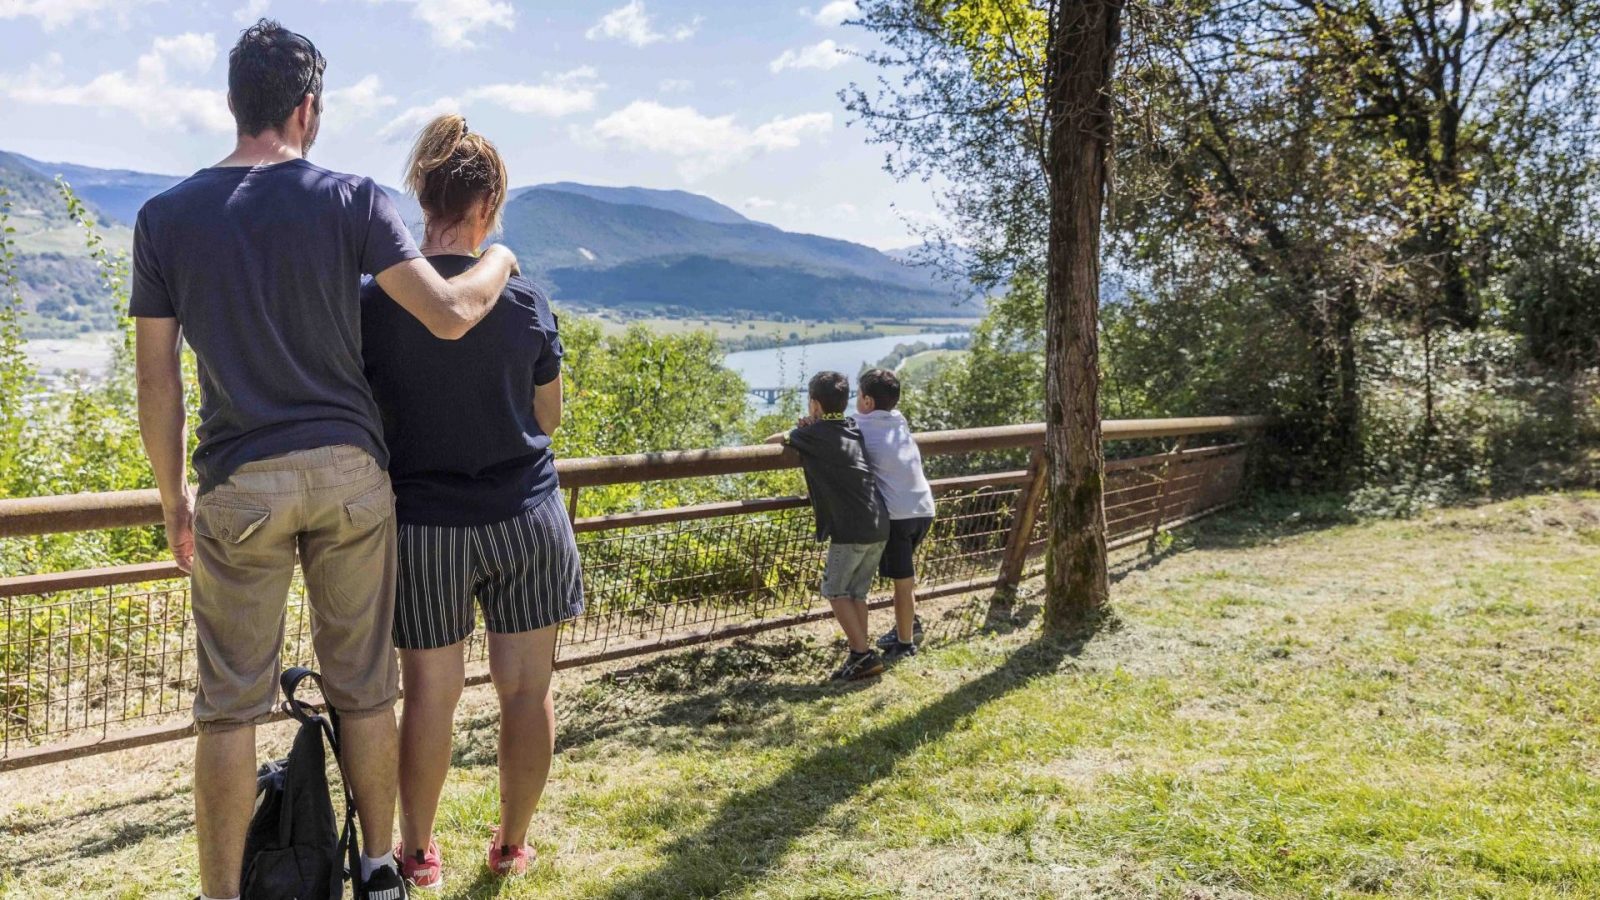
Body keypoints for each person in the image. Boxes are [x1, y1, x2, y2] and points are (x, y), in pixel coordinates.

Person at [132, 20, 520, 900]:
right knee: (363, 690)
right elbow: (452, 313)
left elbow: (159, 385)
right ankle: (381, 870)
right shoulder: (356, 198)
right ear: (308, 108)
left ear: (235, 104)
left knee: (228, 708)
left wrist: (173, 501)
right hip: (350, 475)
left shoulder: (163, 218)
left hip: (240, 485)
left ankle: (222, 894)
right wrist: (500, 254)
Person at [360, 114, 585, 888]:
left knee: (429, 696)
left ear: (422, 199)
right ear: (489, 204)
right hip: (527, 515)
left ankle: (418, 851)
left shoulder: (377, 300)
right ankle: (512, 843)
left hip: (425, 526)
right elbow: (549, 418)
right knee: (528, 691)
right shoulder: (525, 302)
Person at [768, 371, 891, 681]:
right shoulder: (850, 427)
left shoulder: (814, 435)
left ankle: (862, 655)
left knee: (835, 591)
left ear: (814, 404)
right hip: (878, 522)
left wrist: (799, 428)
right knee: (856, 594)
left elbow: (770, 443)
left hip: (851, 528)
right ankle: (861, 654)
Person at [853, 368, 936, 660]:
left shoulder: (859, 425)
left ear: (866, 401)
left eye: (857, 394)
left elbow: (828, 428)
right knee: (906, 577)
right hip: (924, 508)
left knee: (903, 582)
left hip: (898, 515)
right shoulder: (899, 420)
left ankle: (904, 644)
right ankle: (908, 624)